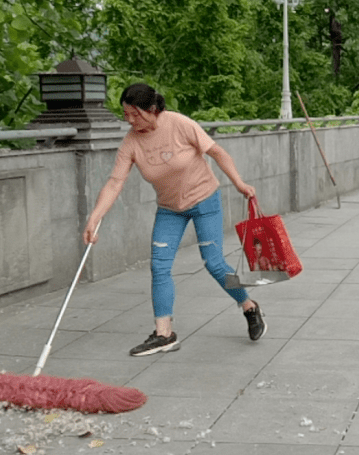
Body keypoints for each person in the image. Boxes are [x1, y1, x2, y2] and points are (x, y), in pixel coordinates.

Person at [83, 83, 266, 356]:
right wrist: (94, 218)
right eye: (125, 114)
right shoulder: (131, 142)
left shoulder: (179, 124)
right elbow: (115, 182)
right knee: (159, 266)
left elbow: (217, 152)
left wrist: (239, 183)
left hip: (205, 200)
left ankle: (248, 306)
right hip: (170, 209)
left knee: (214, 263)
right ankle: (164, 334)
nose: (130, 120)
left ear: (152, 110)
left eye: (135, 114)